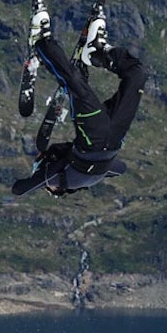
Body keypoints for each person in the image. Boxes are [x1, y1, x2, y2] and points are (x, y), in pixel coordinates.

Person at [10, 13, 146, 197]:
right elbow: (18, 190)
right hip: (102, 135)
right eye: (49, 191)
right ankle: (44, 44)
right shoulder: (56, 179)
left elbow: (121, 168)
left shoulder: (76, 177)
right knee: (75, 84)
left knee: (137, 75)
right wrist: (45, 175)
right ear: (59, 189)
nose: (47, 187)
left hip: (107, 137)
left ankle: (95, 53)